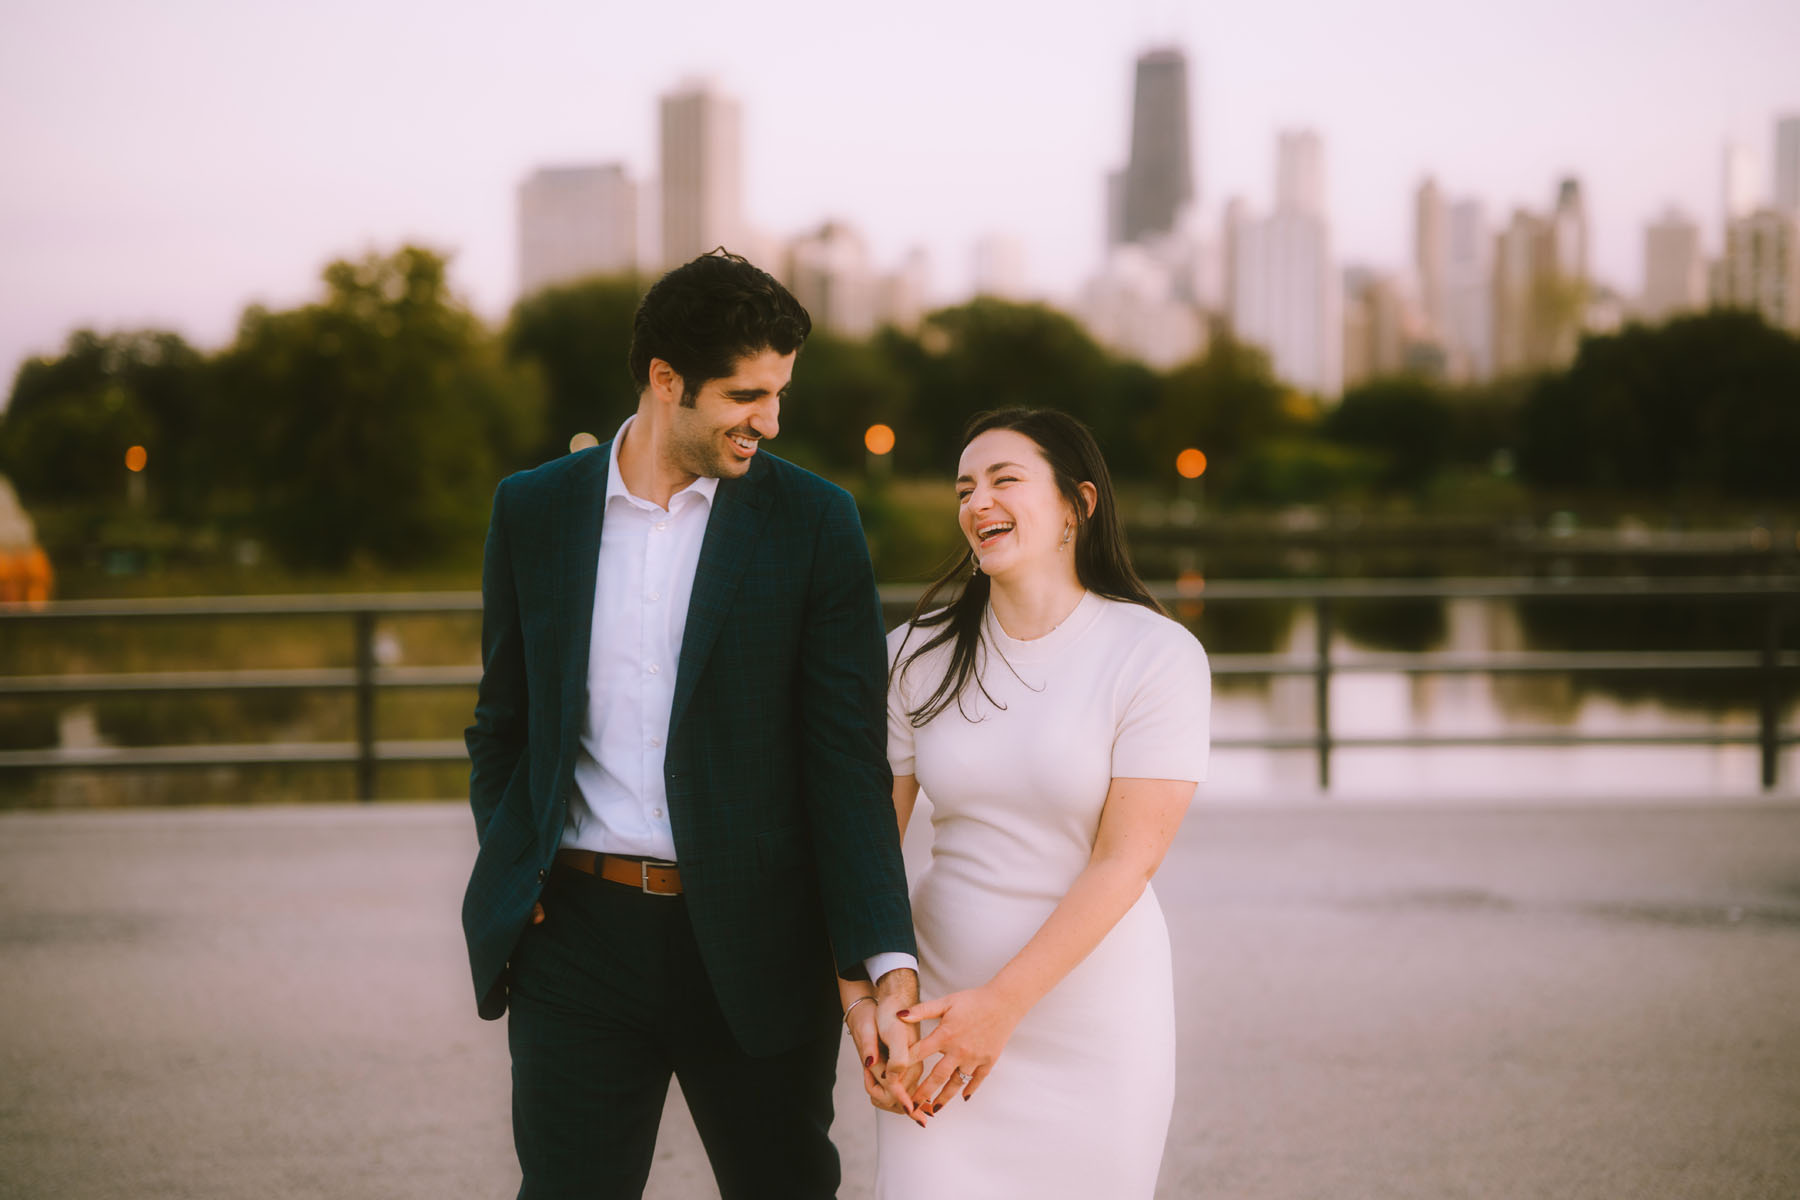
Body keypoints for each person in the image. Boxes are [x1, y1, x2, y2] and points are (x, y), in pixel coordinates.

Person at [461, 249, 921, 1200]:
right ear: (666, 381)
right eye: (747, 394)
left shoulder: (816, 523)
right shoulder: (532, 511)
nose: (772, 420)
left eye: (781, 393)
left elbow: (846, 760)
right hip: (575, 940)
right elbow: (501, 724)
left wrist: (879, 955)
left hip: (757, 942)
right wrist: (516, 870)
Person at [841, 407, 1211, 1197]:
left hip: (1095, 1027)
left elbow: (1126, 861)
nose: (978, 502)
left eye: (1005, 480)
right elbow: (869, 849)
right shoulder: (913, 653)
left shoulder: (1156, 655)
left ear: (1079, 503)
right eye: (965, 487)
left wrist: (1003, 1008)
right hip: (935, 1021)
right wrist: (868, 998)